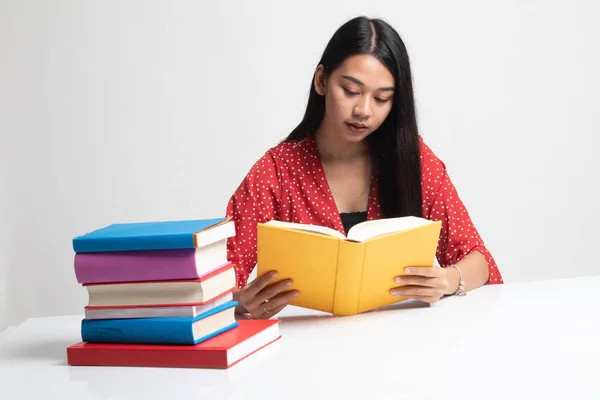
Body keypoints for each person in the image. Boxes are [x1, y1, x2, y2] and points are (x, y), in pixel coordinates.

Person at [225, 16, 503, 319]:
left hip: (401, 349)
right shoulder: (276, 172)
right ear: (321, 81)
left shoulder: (413, 160)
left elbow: (479, 261)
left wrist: (449, 280)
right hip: (306, 351)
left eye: (382, 98)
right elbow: (215, 285)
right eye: (351, 91)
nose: (364, 111)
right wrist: (241, 302)